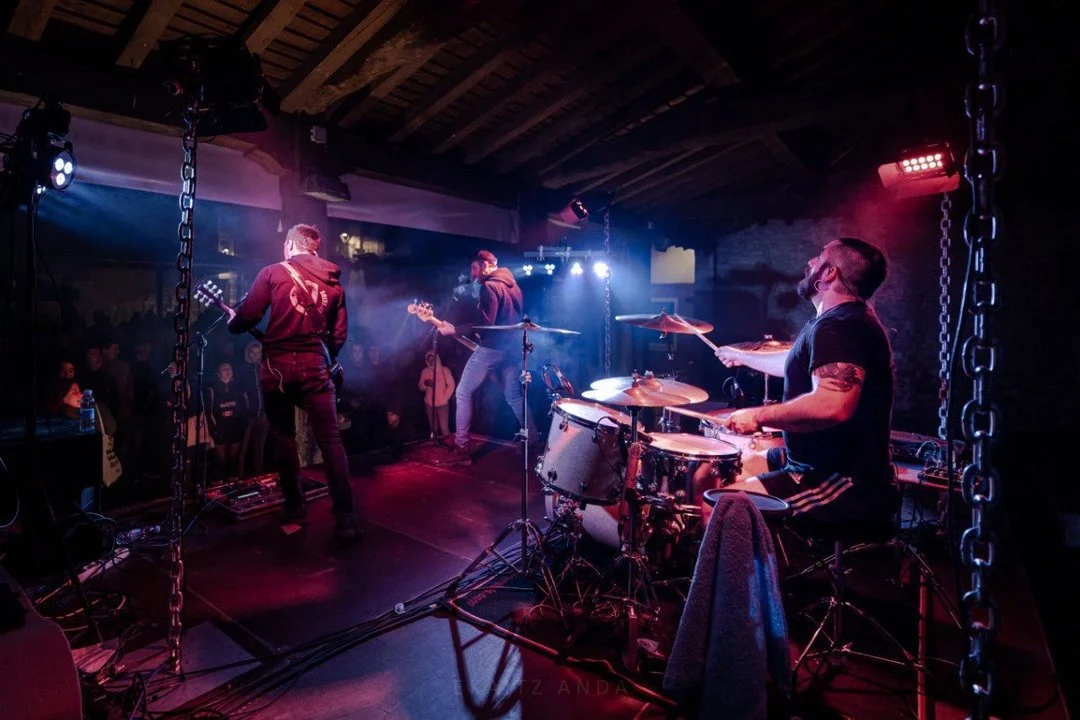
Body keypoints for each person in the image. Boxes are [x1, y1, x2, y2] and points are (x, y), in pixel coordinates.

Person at [714, 237, 897, 526]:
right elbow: (793, 363)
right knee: (723, 468)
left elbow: (832, 405)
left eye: (819, 257)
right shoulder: (840, 320)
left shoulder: (840, 326)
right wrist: (741, 356)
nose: (810, 262)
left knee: (724, 510)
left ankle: (757, 555)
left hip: (843, 480)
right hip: (810, 462)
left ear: (829, 273)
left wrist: (758, 415)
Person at [225, 224, 361, 540]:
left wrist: (234, 322)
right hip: (316, 367)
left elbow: (248, 317)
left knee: (284, 437)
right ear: (313, 248)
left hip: (278, 369)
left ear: (289, 245)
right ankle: (347, 519)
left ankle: (295, 509)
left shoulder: (272, 273)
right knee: (330, 440)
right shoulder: (333, 282)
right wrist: (322, 356)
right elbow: (340, 334)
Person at [436, 250, 538, 463]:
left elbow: (486, 324)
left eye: (474, 269)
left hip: (493, 349)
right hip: (512, 349)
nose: (472, 274)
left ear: (484, 265)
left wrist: (455, 329)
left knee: (462, 392)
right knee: (514, 396)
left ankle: (462, 447)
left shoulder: (489, 286)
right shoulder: (513, 285)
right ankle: (533, 440)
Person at [419, 350, 455, 440]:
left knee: (444, 429)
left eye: (433, 359)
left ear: (437, 359)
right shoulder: (425, 371)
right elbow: (420, 387)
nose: (431, 361)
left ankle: (447, 446)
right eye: (429, 360)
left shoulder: (444, 370)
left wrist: (444, 397)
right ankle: (434, 445)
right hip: (429, 404)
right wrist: (426, 384)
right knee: (433, 429)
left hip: (442, 405)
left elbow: (451, 385)